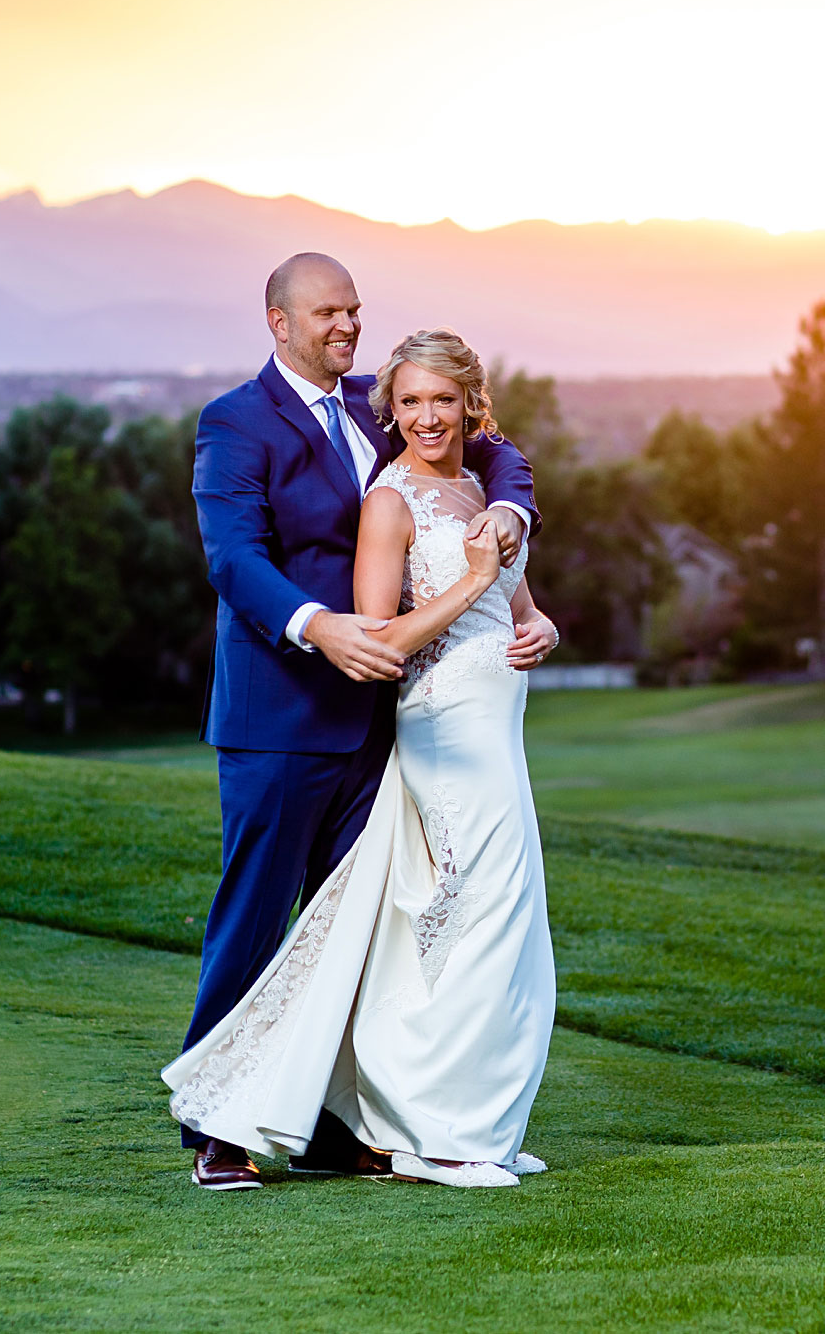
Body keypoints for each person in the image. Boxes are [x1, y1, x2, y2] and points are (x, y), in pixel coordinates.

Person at [175, 256, 556, 1191]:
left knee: (369, 926)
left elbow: (492, 450)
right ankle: (219, 1126)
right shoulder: (234, 423)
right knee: (258, 920)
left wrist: (510, 510)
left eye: (354, 310)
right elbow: (232, 557)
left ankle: (343, 1117)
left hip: (382, 726)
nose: (346, 327)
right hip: (280, 719)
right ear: (277, 321)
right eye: (327, 313)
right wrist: (318, 625)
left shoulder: (370, 402)